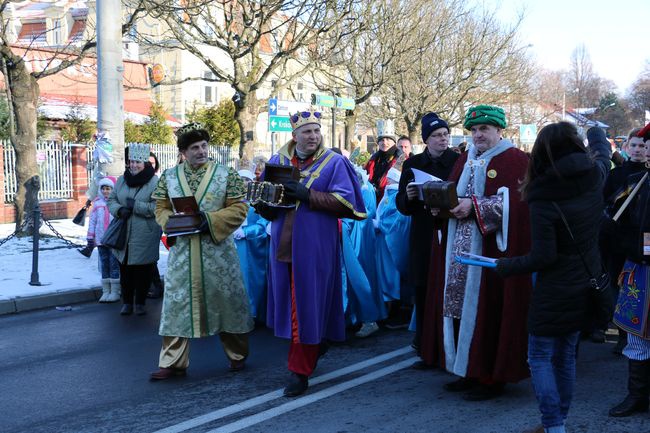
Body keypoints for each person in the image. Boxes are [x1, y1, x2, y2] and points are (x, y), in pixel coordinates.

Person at [495, 123, 611, 433]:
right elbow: (604, 155)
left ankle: (553, 424)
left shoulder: (542, 195)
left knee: (541, 357)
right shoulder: (595, 176)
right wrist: (597, 133)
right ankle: (557, 421)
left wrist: (503, 265)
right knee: (566, 358)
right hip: (588, 280)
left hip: (554, 288)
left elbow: (543, 257)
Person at [420, 105, 532, 400]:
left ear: (499, 130)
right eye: (474, 130)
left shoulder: (515, 161)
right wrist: (440, 205)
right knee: (457, 310)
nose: (478, 135)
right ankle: (466, 369)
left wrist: (476, 206)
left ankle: (490, 377)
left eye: (484, 129)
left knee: (489, 311)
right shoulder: (464, 160)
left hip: (491, 254)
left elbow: (519, 208)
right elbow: (452, 194)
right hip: (458, 254)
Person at [254, 108, 366, 397]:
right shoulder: (277, 161)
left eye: (316, 131)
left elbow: (349, 205)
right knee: (295, 305)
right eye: (307, 132)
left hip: (316, 246)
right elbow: (269, 201)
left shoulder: (335, 162)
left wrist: (307, 195)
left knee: (306, 304)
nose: (313, 136)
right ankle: (315, 345)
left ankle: (299, 371)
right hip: (283, 245)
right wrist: (263, 205)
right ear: (294, 135)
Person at [149, 123, 253, 380]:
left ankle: (237, 355)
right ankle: (172, 362)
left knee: (227, 302)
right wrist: (171, 223)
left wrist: (210, 220)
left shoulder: (226, 174)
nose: (201, 151)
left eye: (204, 145)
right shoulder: (169, 177)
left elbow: (239, 209)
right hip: (183, 252)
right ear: (183, 151)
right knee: (176, 306)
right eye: (195, 147)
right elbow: (160, 208)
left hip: (218, 252)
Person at [396, 112, 459, 359]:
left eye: (445, 134)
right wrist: (409, 197)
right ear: (426, 140)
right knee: (422, 289)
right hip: (423, 234)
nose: (443, 139)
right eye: (436, 135)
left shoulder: (458, 161)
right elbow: (401, 205)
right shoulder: (413, 165)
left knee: (448, 288)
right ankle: (424, 344)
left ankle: (449, 347)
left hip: (450, 231)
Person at [609, 122, 650, 417]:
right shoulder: (635, 181)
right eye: (646, 145)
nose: (646, 150)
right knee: (637, 336)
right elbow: (615, 219)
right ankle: (637, 396)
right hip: (639, 268)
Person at [600, 127, 647, 349]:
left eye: (643, 146)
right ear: (627, 148)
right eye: (635, 145)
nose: (638, 150)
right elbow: (605, 203)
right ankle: (622, 331)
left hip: (643, 241)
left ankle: (637, 330)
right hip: (618, 239)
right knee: (617, 285)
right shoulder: (617, 174)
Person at [107, 143, 160, 316]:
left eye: (138, 161)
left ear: (145, 162)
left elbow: (158, 207)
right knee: (125, 269)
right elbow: (112, 200)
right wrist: (119, 210)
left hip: (145, 232)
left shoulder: (154, 182)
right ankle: (127, 302)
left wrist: (135, 206)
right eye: (131, 161)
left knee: (143, 270)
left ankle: (140, 303)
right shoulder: (122, 179)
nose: (134, 165)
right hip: (124, 231)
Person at [234, 169, 269, 322]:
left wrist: (247, 232)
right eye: (240, 180)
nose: (243, 183)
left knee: (252, 281)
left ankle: (251, 314)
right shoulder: (231, 201)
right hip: (233, 246)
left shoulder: (257, 203)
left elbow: (264, 224)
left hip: (253, 249)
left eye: (246, 180)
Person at [87, 176, 120, 303]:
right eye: (104, 189)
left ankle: (115, 291)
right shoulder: (97, 203)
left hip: (113, 241)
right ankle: (106, 291)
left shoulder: (116, 204)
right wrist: (90, 236)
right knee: (104, 264)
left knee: (114, 265)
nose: (106, 191)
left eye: (109, 189)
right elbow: (93, 221)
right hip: (101, 240)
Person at [366, 120, 399, 202]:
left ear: (394, 142)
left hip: (391, 202)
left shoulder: (401, 160)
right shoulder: (372, 160)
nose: (384, 142)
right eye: (381, 140)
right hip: (372, 201)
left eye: (388, 139)